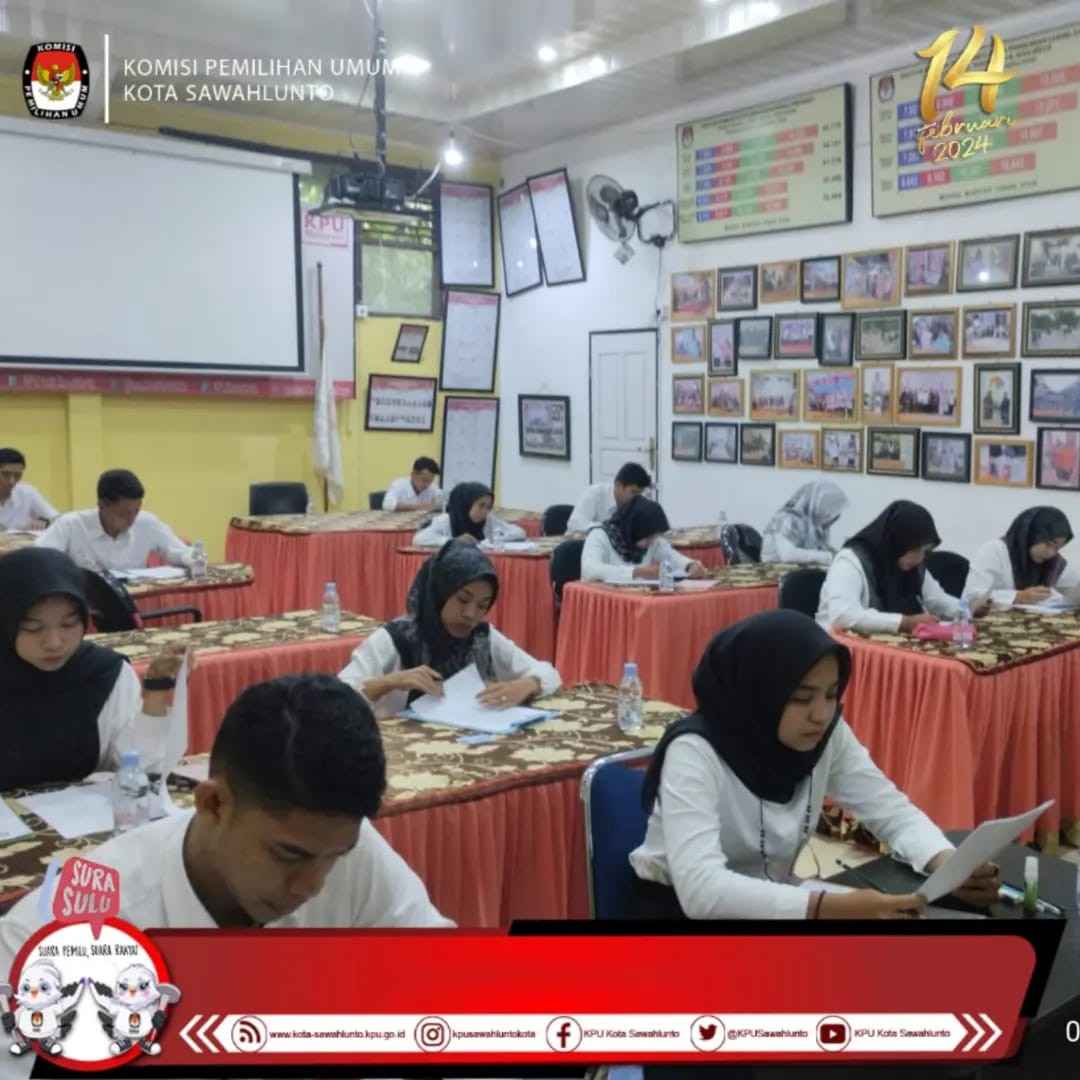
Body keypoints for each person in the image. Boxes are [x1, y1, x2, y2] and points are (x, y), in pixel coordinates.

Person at [0, 674, 453, 973]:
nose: (312, 886)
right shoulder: (58, 940)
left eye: (335, 858)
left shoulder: (336, 845)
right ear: (213, 804)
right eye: (287, 855)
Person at [626, 610, 1000, 920]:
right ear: (760, 695)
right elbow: (702, 892)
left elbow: (889, 809)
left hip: (778, 898)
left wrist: (947, 864)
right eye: (802, 699)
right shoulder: (694, 752)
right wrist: (825, 908)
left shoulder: (826, 734)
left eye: (832, 694)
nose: (821, 714)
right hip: (676, 912)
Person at [0, 548, 187, 791]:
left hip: (83, 812)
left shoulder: (104, 674)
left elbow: (139, 767)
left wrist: (155, 691)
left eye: (69, 624)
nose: (54, 643)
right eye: (34, 629)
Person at [339, 540, 560, 718]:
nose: (470, 614)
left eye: (482, 606)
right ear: (440, 592)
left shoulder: (481, 636)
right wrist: (389, 682)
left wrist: (528, 684)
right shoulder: (398, 637)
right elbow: (336, 695)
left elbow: (549, 674)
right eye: (463, 599)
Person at [816, 500, 981, 634]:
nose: (920, 558)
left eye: (925, 552)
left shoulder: (910, 565)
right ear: (896, 542)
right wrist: (904, 622)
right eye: (915, 550)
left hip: (886, 648)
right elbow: (843, 616)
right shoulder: (850, 561)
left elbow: (936, 599)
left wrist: (966, 608)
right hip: (840, 649)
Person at [36, 469, 194, 572]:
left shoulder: (147, 523)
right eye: (123, 513)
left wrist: (193, 560)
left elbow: (180, 551)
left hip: (132, 603)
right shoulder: (70, 525)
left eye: (137, 510)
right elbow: (38, 561)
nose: (132, 519)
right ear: (102, 504)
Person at [963, 507, 1079, 607]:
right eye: (1048, 544)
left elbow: (1074, 586)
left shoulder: (1054, 563)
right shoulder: (995, 551)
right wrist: (1018, 596)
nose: (1051, 553)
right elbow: (971, 596)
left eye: (1057, 548)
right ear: (1032, 534)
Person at [581, 493, 707, 584]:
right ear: (634, 530)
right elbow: (590, 571)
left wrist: (690, 565)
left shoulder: (653, 542)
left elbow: (672, 557)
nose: (652, 542)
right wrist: (636, 572)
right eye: (649, 537)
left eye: (654, 537)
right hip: (605, 603)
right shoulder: (599, 536)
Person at [411, 482, 524, 548]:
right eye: (481, 505)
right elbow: (418, 539)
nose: (485, 511)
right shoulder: (445, 521)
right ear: (466, 504)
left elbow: (519, 532)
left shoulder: (488, 520)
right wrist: (454, 541)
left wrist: (494, 540)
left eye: (488, 507)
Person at [760, 481, 849, 565]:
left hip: (799, 570)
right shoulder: (786, 519)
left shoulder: (816, 525)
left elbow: (820, 548)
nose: (830, 518)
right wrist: (828, 557)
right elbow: (788, 555)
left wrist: (839, 554)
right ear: (819, 504)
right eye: (830, 511)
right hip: (775, 570)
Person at [565, 462, 651, 533]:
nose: (637, 498)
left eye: (640, 493)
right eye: (634, 492)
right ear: (618, 485)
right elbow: (575, 524)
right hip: (579, 544)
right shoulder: (595, 493)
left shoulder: (637, 502)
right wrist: (609, 528)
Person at [0, 448, 59, 532]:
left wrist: (46, 522)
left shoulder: (26, 492)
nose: (11, 481)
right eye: (5, 474)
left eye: (17, 475)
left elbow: (58, 519)